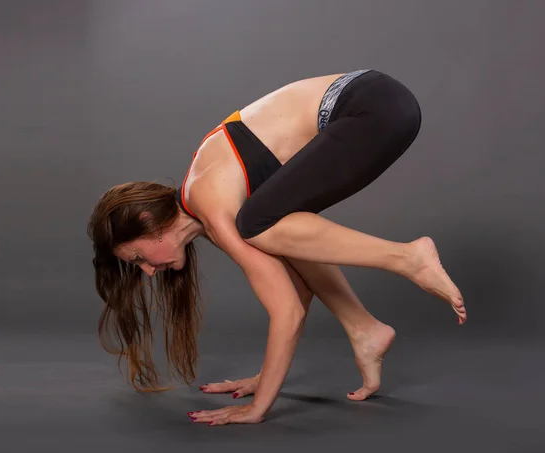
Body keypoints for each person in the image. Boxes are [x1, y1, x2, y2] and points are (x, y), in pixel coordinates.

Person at [88, 69, 467, 426]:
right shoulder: (212, 205)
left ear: (147, 224)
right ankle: (364, 327)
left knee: (257, 226)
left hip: (369, 108)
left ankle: (408, 257)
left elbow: (286, 311)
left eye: (137, 258)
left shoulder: (211, 205)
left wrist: (258, 406)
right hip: (381, 104)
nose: (148, 271)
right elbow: (297, 286)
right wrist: (266, 376)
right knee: (274, 228)